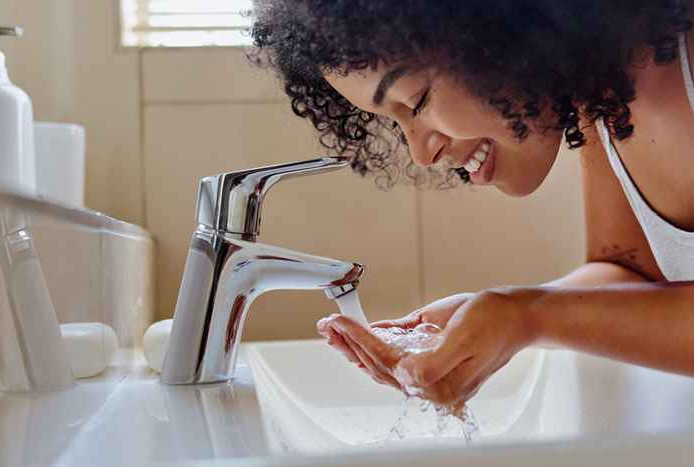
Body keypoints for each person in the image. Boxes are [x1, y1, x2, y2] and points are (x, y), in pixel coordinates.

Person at [248, 0, 694, 415]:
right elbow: (632, 272)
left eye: (417, 102)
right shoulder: (601, 93)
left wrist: (529, 315)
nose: (421, 154)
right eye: (394, 121)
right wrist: (481, 320)